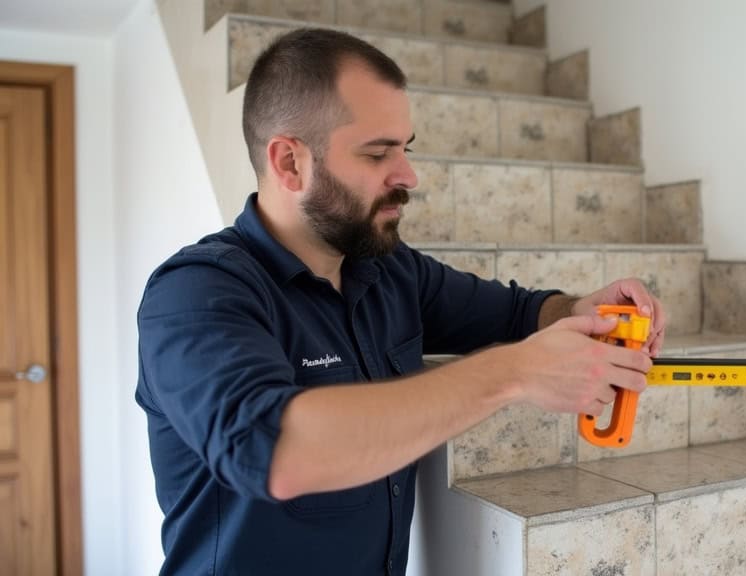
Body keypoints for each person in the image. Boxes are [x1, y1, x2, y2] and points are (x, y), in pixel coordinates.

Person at [136, 28, 666, 575]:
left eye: (404, 149)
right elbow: (274, 450)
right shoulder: (194, 293)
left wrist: (580, 310)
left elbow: (517, 313)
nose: (408, 175)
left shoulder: (388, 270)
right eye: (377, 153)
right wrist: (516, 373)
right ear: (290, 163)